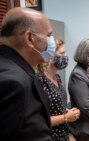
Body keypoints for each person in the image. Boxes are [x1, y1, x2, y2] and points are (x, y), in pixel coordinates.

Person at [0, 7, 54, 141]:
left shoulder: (11, 67)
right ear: (30, 38)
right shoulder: (13, 82)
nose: (51, 41)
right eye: (48, 35)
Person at [35, 39, 80, 141]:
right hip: (49, 136)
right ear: (50, 56)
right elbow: (39, 120)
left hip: (62, 134)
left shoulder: (57, 77)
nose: (66, 57)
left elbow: (55, 106)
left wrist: (68, 112)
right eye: (62, 53)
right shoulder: (39, 80)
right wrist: (66, 117)